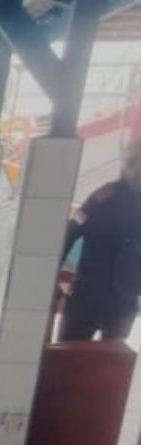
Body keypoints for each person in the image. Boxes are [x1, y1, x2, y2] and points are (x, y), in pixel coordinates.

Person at [57, 138, 141, 341]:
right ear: (131, 164)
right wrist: (52, 277)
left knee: (110, 366)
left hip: (122, 303)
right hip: (86, 297)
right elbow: (72, 230)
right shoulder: (102, 198)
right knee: (67, 359)